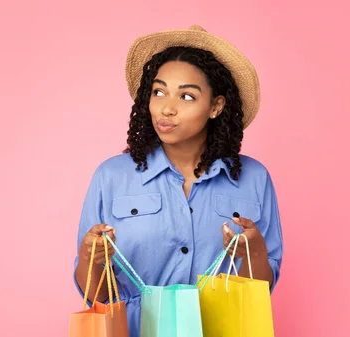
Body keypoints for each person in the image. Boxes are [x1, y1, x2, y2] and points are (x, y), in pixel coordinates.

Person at [73, 25, 283, 336]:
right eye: (159, 92)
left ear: (216, 106)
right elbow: (97, 296)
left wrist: (254, 254)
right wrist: (91, 258)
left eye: (186, 96)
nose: (167, 108)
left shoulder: (254, 179)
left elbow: (260, 292)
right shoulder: (111, 176)